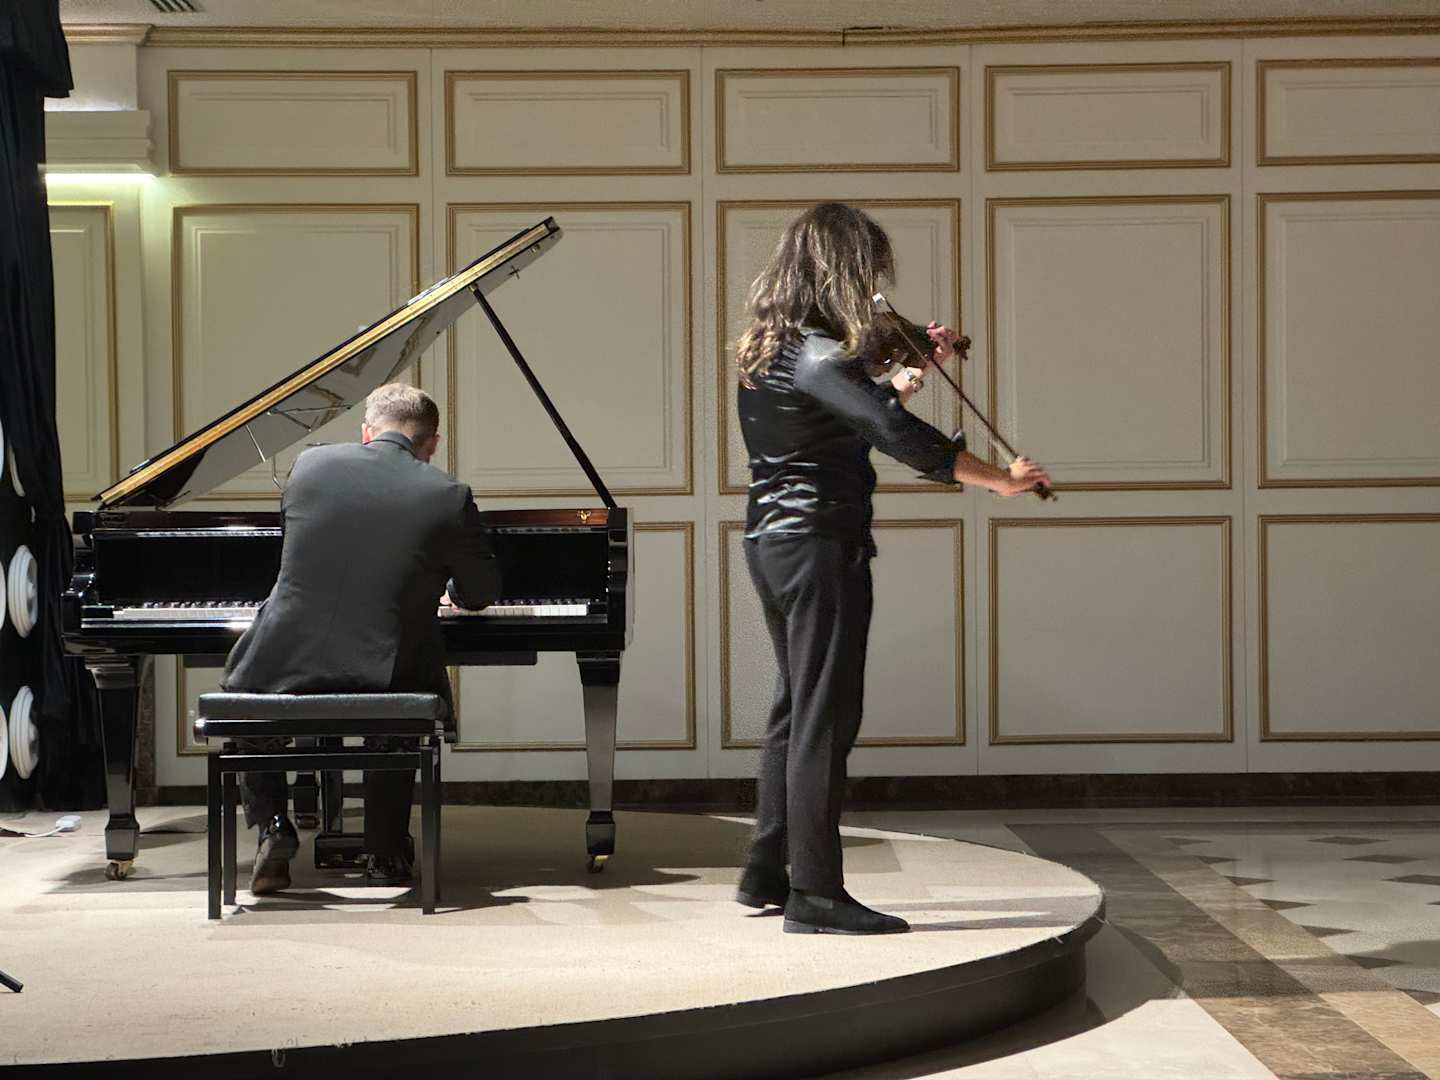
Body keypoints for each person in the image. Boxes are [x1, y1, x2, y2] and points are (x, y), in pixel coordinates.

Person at [733, 202, 1051, 935]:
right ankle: (816, 895)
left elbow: (842, 425)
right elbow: (890, 431)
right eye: (868, 268)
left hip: (773, 542)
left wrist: (901, 378)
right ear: (841, 270)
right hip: (820, 544)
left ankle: (767, 870)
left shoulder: (774, 350)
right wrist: (999, 480)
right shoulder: (819, 356)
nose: (873, 282)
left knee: (796, 709)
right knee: (825, 718)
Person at [222, 383, 501, 895]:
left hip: (284, 659)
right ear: (432, 443)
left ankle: (274, 828)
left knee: (250, 705)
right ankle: (385, 853)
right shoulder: (448, 495)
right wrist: (449, 589)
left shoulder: (310, 467)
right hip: (384, 664)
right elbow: (481, 592)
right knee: (401, 697)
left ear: (367, 432)